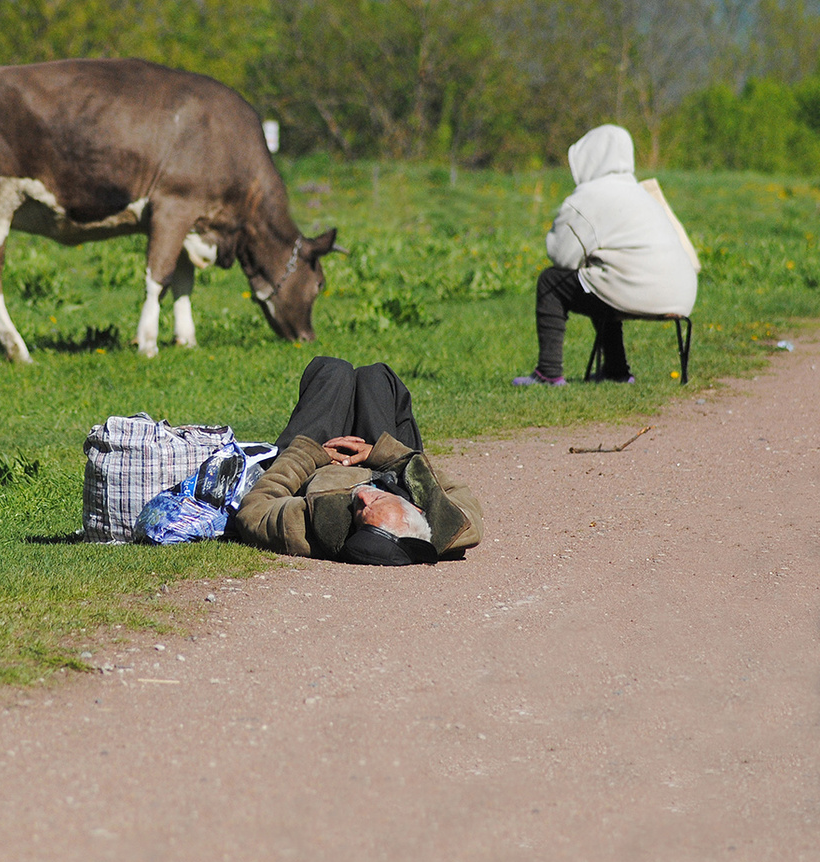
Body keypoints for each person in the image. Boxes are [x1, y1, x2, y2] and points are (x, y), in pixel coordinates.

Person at [233, 357, 483, 565]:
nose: (363, 497)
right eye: (378, 500)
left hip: (321, 460)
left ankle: (326, 405)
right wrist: (386, 454)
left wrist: (307, 456)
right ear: (416, 509)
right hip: (386, 462)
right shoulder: (450, 530)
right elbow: (458, 496)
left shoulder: (315, 525)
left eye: (360, 513)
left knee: (331, 371)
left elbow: (253, 513)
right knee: (377, 378)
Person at [513, 124, 698, 386]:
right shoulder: (641, 193)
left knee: (551, 281)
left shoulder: (588, 197)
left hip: (636, 292)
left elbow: (561, 257)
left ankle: (548, 372)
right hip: (682, 295)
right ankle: (616, 370)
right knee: (600, 278)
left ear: (589, 157)